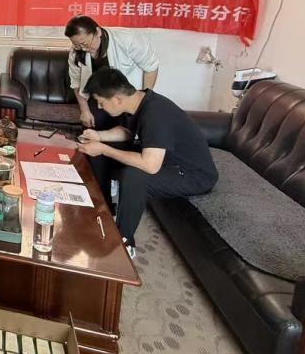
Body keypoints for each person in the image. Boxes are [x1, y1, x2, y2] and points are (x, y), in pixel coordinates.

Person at [78, 68, 218, 257]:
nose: (99, 107)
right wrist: (99, 136)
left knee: (133, 175)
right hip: (165, 159)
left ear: (118, 98)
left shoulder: (155, 114)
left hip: (193, 174)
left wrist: (104, 149)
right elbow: (127, 132)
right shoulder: (138, 102)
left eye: (101, 103)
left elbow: (150, 165)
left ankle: (124, 242)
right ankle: (104, 211)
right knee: (102, 150)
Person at [65, 16, 159, 130]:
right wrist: (85, 110)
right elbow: (76, 82)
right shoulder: (76, 53)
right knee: (91, 126)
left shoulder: (126, 39)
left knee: (131, 129)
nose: (83, 49)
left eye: (85, 44)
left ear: (98, 32)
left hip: (125, 95)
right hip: (99, 97)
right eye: (77, 45)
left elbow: (151, 66)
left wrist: (143, 104)